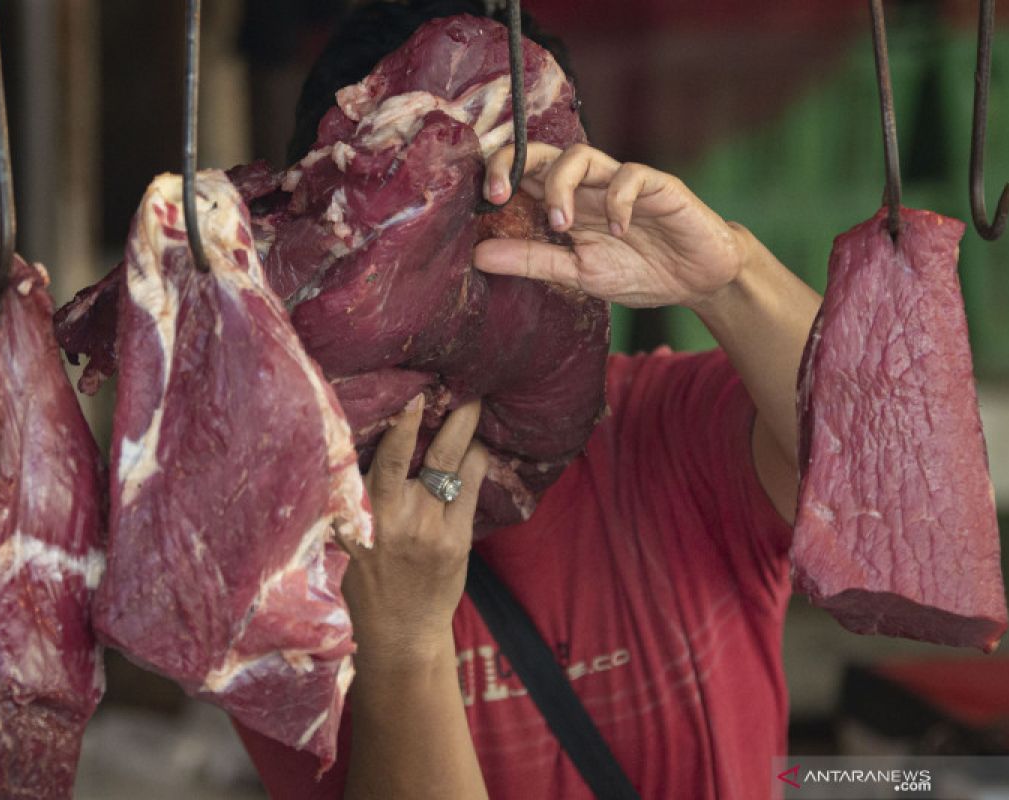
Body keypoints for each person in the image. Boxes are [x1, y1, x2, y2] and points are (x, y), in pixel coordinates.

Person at [234, 2, 822, 797]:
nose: (463, 262)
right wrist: (404, 646)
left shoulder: (662, 429)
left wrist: (730, 277)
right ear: (318, 250)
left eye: (502, 198)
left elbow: (894, 480)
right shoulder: (286, 555)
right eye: (410, 223)